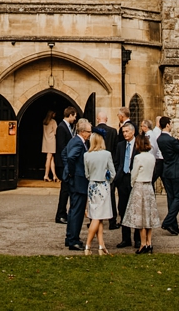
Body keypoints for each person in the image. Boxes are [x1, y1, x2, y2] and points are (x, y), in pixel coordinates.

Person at [121, 130, 160, 254]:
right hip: (148, 186)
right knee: (148, 215)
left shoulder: (138, 157)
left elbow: (134, 173)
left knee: (141, 217)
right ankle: (149, 242)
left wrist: (132, 184)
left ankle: (143, 244)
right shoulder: (152, 157)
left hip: (139, 185)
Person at [156, 117, 179, 235]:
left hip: (167, 171)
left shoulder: (160, 139)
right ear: (167, 125)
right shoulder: (170, 140)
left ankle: (173, 225)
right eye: (170, 123)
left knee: (171, 198)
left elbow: (172, 145)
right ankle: (167, 222)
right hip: (176, 171)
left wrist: (178, 138)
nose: (171, 125)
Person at [83, 132, 115, 255]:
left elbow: (87, 173)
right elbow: (112, 173)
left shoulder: (87, 155)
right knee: (96, 217)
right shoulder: (107, 154)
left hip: (92, 185)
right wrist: (107, 179)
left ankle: (101, 245)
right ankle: (88, 245)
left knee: (98, 216)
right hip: (102, 186)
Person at [62, 118, 92, 251]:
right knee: (77, 211)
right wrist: (71, 173)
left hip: (76, 180)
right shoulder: (79, 143)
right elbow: (70, 157)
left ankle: (70, 237)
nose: (90, 134)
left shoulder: (75, 141)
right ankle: (73, 240)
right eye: (89, 131)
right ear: (83, 132)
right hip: (78, 181)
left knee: (74, 209)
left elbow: (64, 153)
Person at [112, 121, 138, 249]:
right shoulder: (121, 145)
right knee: (123, 209)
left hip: (134, 179)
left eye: (127, 131)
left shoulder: (138, 145)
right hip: (123, 179)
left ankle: (137, 238)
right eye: (123, 132)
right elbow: (117, 161)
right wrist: (118, 175)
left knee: (136, 209)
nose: (125, 134)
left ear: (133, 132)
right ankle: (125, 238)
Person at [93, 110, 119, 228]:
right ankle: (112, 221)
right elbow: (115, 149)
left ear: (98, 119)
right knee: (111, 194)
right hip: (109, 164)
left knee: (96, 194)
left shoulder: (94, 131)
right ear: (106, 119)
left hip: (96, 165)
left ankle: (95, 219)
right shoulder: (113, 131)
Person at [54, 106, 77, 223]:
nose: (75, 119)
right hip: (63, 164)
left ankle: (63, 213)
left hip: (65, 163)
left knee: (66, 189)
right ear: (71, 115)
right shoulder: (61, 128)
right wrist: (66, 164)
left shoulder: (68, 127)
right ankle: (60, 215)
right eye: (74, 116)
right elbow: (62, 147)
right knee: (65, 190)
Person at [41, 110, 59, 181]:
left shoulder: (44, 122)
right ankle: (46, 175)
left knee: (51, 158)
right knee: (49, 158)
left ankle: (54, 175)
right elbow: (55, 131)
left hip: (45, 140)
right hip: (51, 140)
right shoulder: (53, 122)